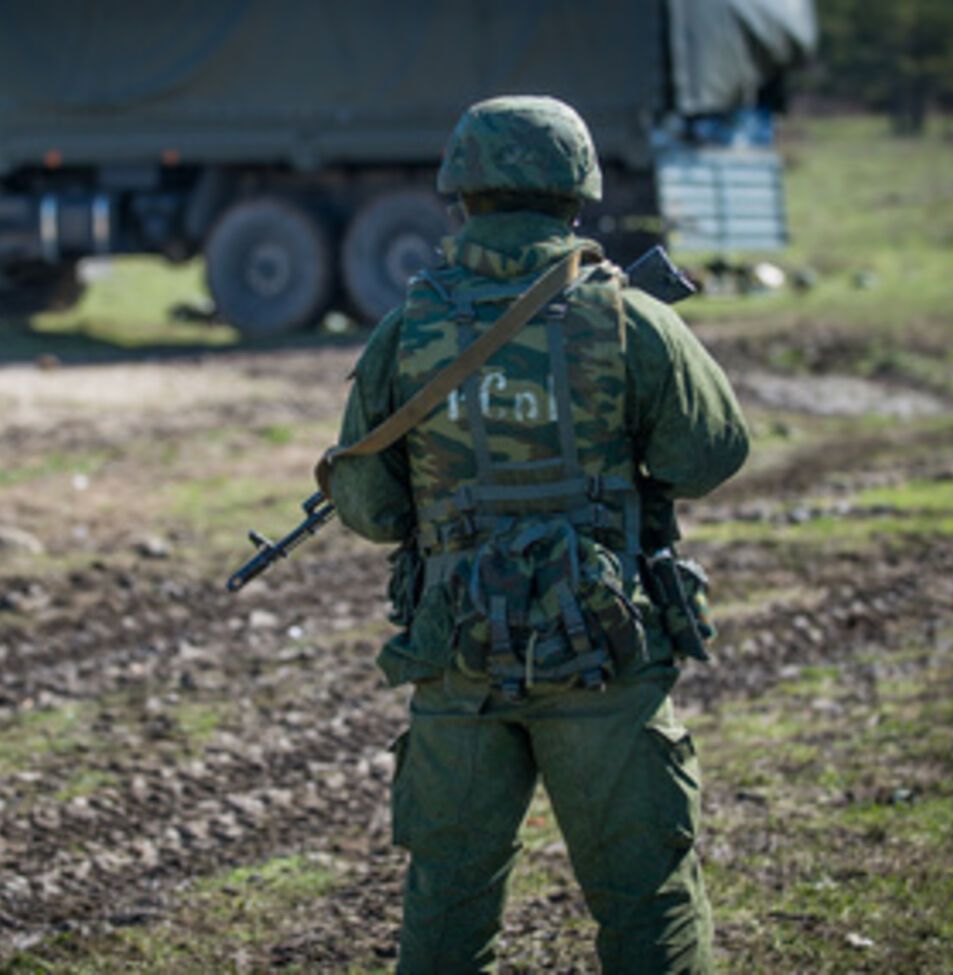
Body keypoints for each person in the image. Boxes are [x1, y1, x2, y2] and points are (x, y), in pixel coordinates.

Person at [322, 95, 749, 974]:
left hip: (459, 657)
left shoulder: (409, 331)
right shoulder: (633, 320)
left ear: (460, 192)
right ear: (576, 192)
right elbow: (709, 455)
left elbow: (370, 510)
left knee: (448, 902)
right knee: (647, 903)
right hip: (602, 649)